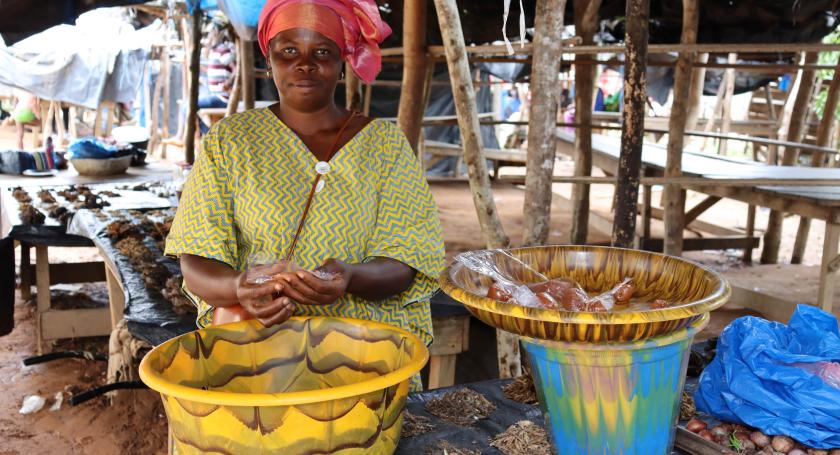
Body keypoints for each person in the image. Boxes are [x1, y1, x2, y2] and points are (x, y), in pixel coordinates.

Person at [164, 0, 444, 391]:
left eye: (323, 52)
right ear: (269, 61)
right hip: (257, 356)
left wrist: (350, 278)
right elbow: (196, 257)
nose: (305, 64)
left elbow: (408, 256)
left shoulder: (384, 145)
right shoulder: (230, 142)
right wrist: (239, 288)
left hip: (362, 358)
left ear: (342, 62)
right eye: (289, 50)